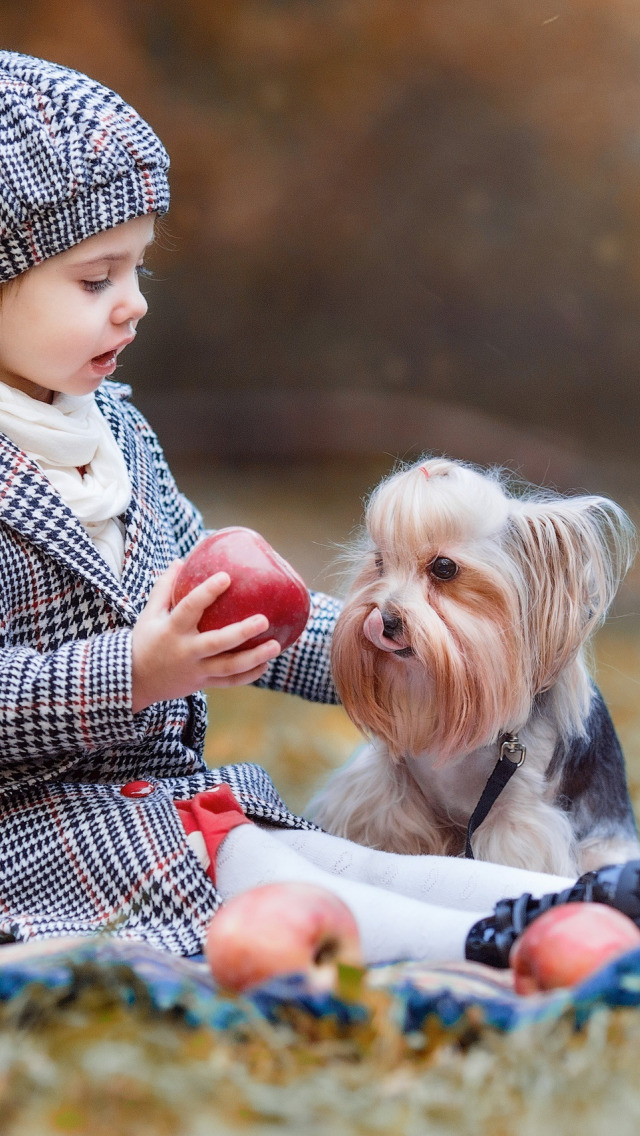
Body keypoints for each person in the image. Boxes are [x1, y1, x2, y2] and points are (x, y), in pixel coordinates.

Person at [0, 49, 638, 972]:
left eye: (138, 270)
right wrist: (133, 672)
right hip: (39, 836)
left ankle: (573, 901)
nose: (133, 304)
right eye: (96, 281)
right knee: (263, 867)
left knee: (313, 853)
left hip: (167, 805)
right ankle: (495, 940)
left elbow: (245, 618)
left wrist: (395, 647)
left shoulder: (116, 436)